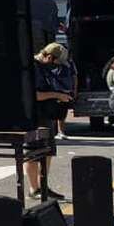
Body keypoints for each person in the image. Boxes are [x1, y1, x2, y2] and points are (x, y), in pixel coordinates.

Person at [29, 42, 74, 200]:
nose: (58, 66)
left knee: (48, 152)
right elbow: (33, 95)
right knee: (32, 153)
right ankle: (34, 189)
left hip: (46, 116)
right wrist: (57, 95)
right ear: (49, 57)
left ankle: (43, 185)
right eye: (56, 62)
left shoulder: (45, 68)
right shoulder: (32, 67)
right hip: (33, 117)